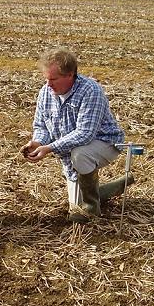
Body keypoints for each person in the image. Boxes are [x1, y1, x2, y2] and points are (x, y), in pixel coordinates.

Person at [21, 48, 134, 224]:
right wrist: (37, 142)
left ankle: (92, 207)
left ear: (70, 75)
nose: (48, 84)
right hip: (71, 150)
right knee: (75, 205)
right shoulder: (45, 92)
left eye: (53, 79)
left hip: (105, 142)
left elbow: (85, 134)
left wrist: (50, 148)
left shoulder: (91, 91)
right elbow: (41, 125)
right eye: (46, 78)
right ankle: (113, 187)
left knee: (80, 156)